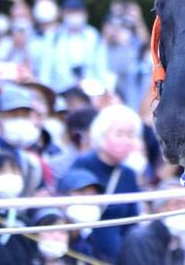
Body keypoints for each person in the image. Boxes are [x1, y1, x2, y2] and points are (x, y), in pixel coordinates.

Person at [66, 104, 142, 261]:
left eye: (130, 135)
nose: (126, 140)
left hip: (118, 255)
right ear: (101, 134)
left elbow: (132, 220)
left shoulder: (128, 174)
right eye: (119, 134)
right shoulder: (83, 164)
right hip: (84, 251)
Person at [116, 180, 185, 265]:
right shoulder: (139, 240)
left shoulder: (181, 241)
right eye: (177, 204)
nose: (184, 210)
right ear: (160, 208)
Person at [39, 0, 109, 92]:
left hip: (90, 93)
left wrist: (104, 90)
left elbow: (101, 68)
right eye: (71, 12)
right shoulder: (54, 37)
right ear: (63, 14)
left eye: (77, 11)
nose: (74, 15)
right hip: (61, 92)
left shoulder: (93, 36)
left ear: (85, 14)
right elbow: (45, 71)